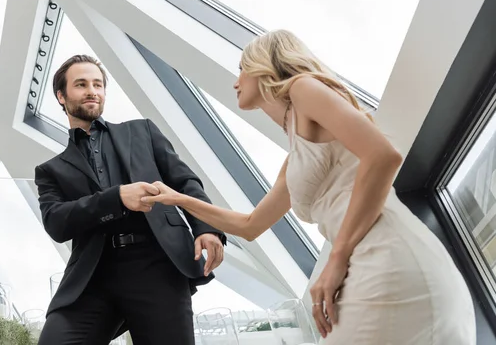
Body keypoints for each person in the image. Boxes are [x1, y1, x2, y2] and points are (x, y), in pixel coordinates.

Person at [141, 30, 476, 344]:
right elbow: (250, 226)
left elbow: (384, 156)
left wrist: (337, 257)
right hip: (361, 264)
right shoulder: (296, 155)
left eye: (242, 69)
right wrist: (177, 198)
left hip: (386, 253)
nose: (235, 81)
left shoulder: (303, 89)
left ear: (264, 67)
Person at [34, 55, 226, 345]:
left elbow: (184, 181)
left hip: (156, 265)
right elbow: (56, 223)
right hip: (92, 276)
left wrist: (206, 227)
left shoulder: (142, 132)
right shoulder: (51, 170)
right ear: (61, 96)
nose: (92, 91)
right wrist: (117, 198)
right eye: (81, 84)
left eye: (98, 84)